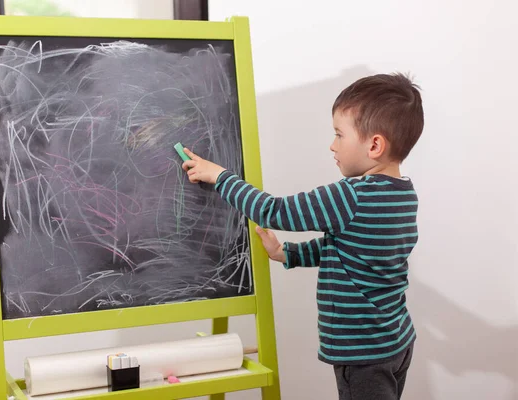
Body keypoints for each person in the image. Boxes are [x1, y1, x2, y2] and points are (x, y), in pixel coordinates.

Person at [181, 72, 424, 400]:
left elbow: (273, 211)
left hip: (363, 354)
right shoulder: (404, 195)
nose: (332, 144)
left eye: (339, 134)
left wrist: (221, 177)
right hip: (395, 343)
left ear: (375, 145)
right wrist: (288, 254)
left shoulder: (350, 197)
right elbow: (346, 249)